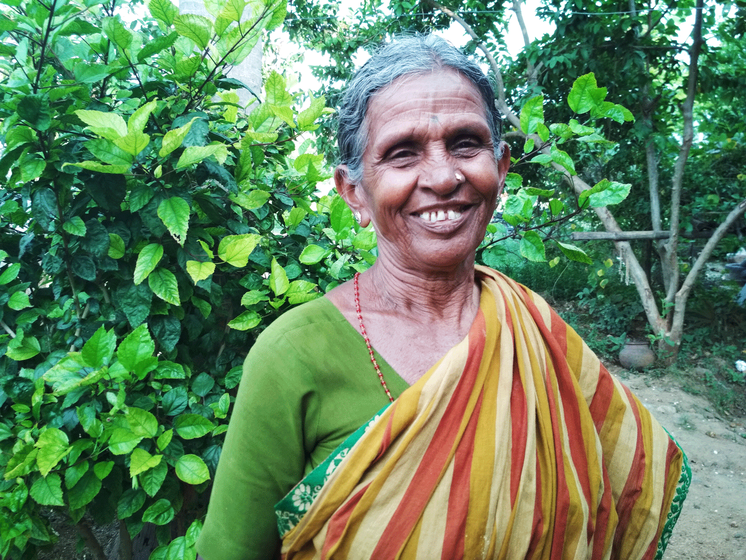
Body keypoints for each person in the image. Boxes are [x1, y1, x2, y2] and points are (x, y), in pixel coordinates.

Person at [196, 35, 689, 560]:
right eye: (402, 153)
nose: (443, 177)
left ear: (499, 169)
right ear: (353, 192)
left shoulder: (536, 331)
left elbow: (607, 497)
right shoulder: (292, 356)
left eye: (466, 144)